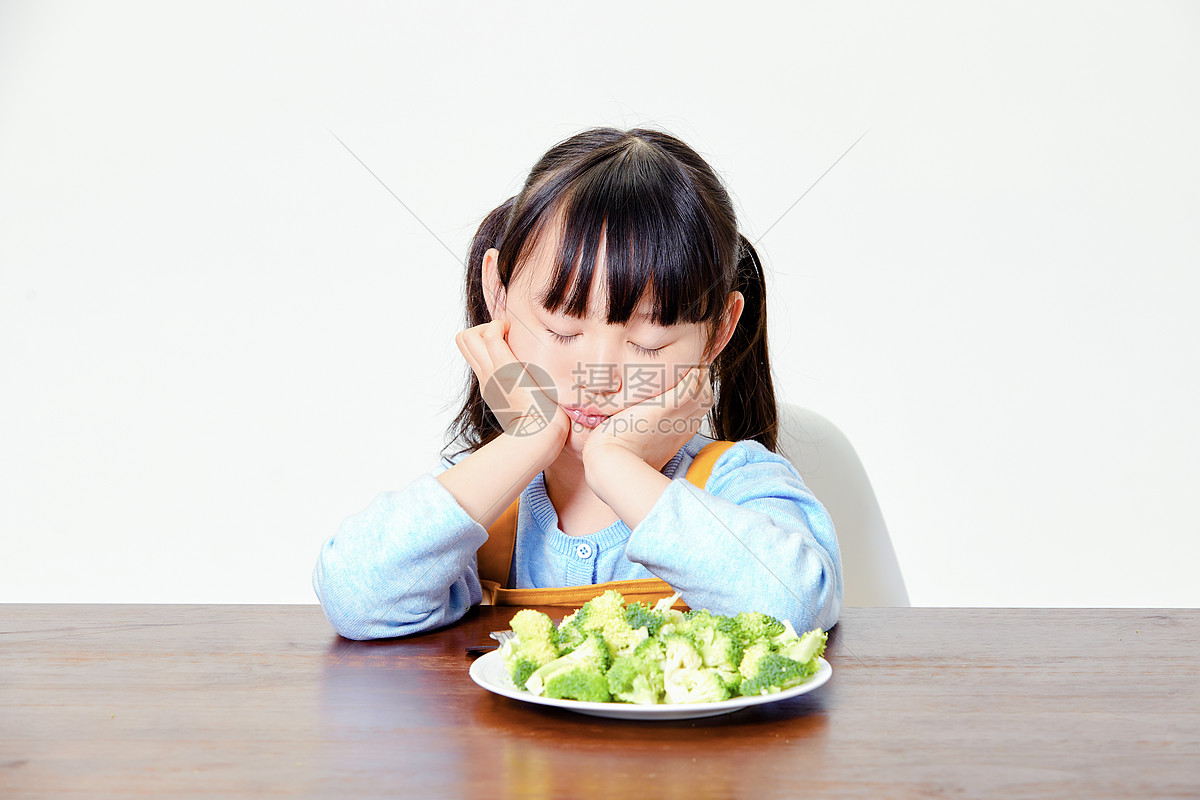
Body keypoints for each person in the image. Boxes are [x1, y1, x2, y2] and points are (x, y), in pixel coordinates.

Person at [313, 126, 843, 640]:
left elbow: (796, 605)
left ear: (719, 331)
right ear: (498, 296)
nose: (601, 378)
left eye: (649, 344)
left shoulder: (734, 484)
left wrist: (615, 465)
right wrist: (528, 440)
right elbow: (356, 598)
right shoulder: (487, 501)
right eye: (563, 330)